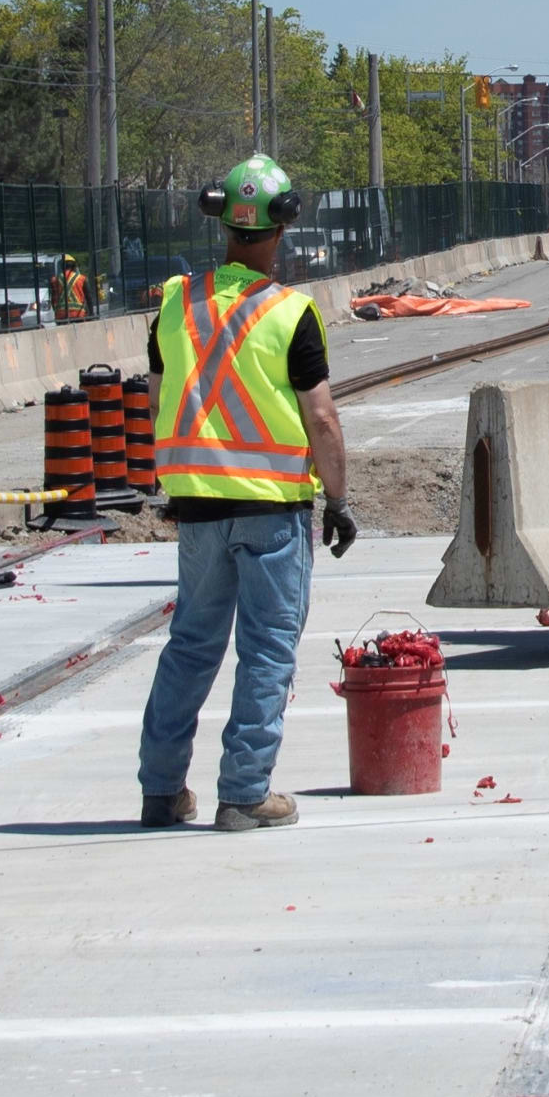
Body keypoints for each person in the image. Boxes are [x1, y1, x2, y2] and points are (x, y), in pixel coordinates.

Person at [135, 156, 355, 832]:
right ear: (284, 225)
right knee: (266, 650)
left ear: (220, 220)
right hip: (271, 509)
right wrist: (339, 502)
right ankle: (244, 793)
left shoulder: (175, 302)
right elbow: (320, 417)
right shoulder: (292, 313)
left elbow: (156, 397)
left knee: (190, 645)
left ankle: (161, 791)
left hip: (197, 508)